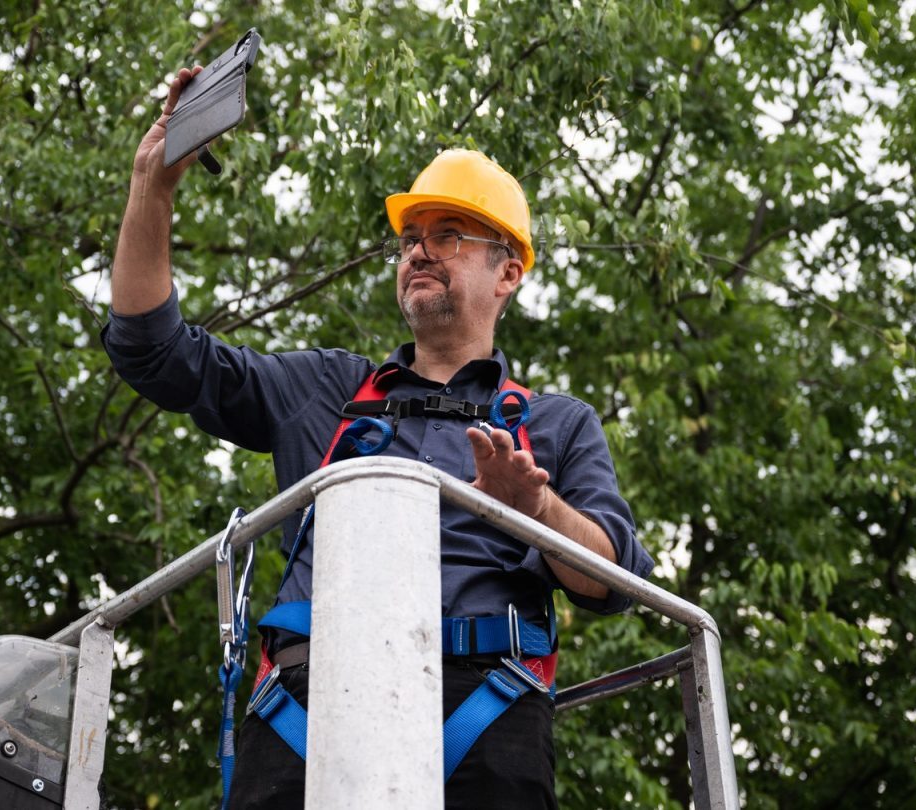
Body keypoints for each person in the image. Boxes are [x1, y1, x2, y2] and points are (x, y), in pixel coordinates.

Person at [102, 67, 653, 810]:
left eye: (449, 235)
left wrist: (537, 510)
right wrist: (152, 190)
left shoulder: (555, 425)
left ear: (509, 272)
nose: (419, 252)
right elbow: (156, 353)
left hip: (483, 718)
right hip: (307, 714)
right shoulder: (324, 393)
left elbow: (614, 583)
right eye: (409, 239)